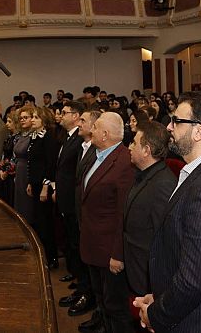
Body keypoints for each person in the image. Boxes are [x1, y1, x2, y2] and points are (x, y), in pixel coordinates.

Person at [135, 92, 201, 332]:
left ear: (199, 132)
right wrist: (162, 296)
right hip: (190, 313)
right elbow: (182, 252)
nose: (169, 127)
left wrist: (157, 314)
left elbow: (195, 279)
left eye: (176, 121)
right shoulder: (199, 173)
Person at [79, 112, 136, 333]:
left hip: (109, 251)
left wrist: (118, 254)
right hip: (93, 243)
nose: (91, 130)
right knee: (102, 298)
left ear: (105, 134)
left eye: (95, 127)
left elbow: (124, 214)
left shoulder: (124, 162)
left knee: (115, 306)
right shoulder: (97, 154)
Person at [123, 121, 176, 297]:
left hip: (146, 276)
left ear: (146, 150)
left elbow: (164, 240)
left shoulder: (163, 184)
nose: (129, 147)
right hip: (135, 267)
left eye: (134, 143)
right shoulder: (144, 174)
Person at [52, 101, 94, 316]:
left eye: (65, 112)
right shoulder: (70, 138)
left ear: (76, 116)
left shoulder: (82, 141)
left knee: (79, 247)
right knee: (73, 244)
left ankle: (85, 290)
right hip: (68, 200)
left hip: (76, 203)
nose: (60, 115)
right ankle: (80, 285)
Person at [27, 106, 61, 269]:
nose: (32, 120)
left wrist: (45, 187)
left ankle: (51, 257)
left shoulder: (48, 138)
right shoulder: (34, 136)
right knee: (39, 221)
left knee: (45, 223)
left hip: (44, 185)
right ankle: (42, 255)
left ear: (44, 120)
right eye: (32, 117)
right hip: (35, 184)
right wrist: (30, 182)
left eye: (36, 117)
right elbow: (33, 162)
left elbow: (50, 164)